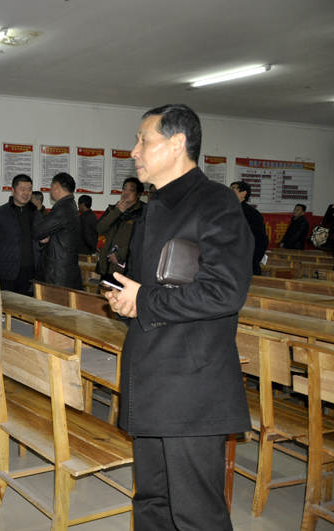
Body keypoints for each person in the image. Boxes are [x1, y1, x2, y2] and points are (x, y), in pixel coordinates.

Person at [105, 104, 251, 530]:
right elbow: (153, 288)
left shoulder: (215, 202)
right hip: (152, 374)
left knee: (195, 513)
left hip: (191, 384)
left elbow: (225, 292)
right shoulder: (154, 207)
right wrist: (129, 301)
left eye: (143, 140)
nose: (134, 151)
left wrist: (145, 299)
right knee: (152, 502)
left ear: (177, 144)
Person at [32, 172, 83, 289]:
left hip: (58, 273)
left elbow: (38, 231)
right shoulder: (69, 205)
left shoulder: (63, 209)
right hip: (63, 270)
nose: (50, 190)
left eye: (51, 186)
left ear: (56, 187)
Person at [0, 174, 37, 295]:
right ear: (13, 190)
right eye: (22, 189)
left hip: (30, 273)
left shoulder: (35, 214)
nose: (26, 193)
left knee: (28, 305)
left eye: (29, 189)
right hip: (6, 273)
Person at [95, 177, 145, 281]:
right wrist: (117, 211)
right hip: (107, 266)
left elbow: (143, 240)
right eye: (124, 189)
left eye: (131, 190)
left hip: (128, 269)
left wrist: (121, 255)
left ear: (139, 194)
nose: (126, 193)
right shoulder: (113, 209)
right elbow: (99, 229)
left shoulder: (143, 212)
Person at [231, 180, 268, 275]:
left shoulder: (252, 214)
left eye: (233, 189)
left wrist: (252, 261)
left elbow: (261, 240)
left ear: (243, 193)